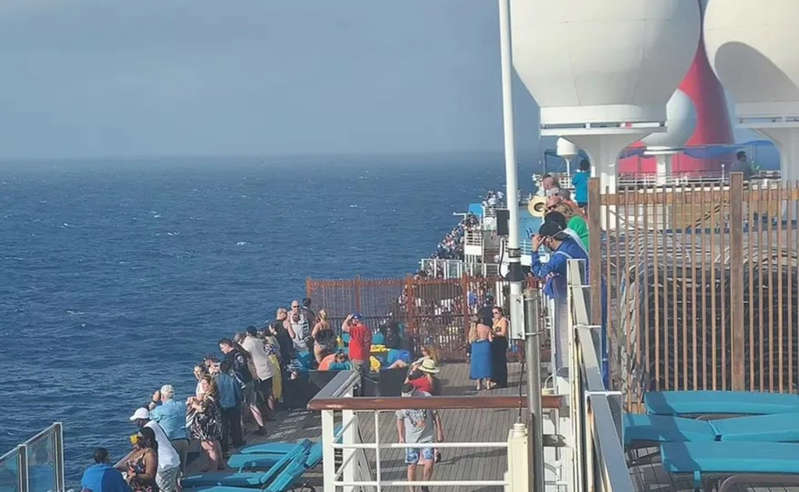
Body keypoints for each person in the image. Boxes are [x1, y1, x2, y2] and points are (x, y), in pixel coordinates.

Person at [531, 219, 589, 373]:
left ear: (549, 239)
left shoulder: (560, 257)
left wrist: (534, 251)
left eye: (543, 241)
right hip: (586, 292)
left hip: (578, 301)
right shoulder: (571, 243)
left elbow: (539, 272)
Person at [396, 383, 444, 492]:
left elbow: (435, 415)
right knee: (411, 465)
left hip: (427, 437)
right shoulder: (402, 401)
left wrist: (440, 431)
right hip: (411, 439)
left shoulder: (426, 397)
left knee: (430, 462)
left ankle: (424, 484)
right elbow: (399, 418)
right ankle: (412, 490)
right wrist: (401, 436)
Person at [219, 337, 266, 435]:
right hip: (249, 380)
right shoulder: (241, 352)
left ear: (227, 346)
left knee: (239, 407)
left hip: (240, 384)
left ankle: (241, 431)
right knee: (253, 405)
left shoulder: (229, 356)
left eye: (222, 348)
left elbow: (224, 368)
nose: (222, 350)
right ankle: (262, 427)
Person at [128, 408, 180, 492]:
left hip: (165, 465)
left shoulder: (148, 429)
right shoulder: (155, 424)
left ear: (142, 420)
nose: (135, 423)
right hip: (173, 460)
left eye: (136, 420)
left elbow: (145, 445)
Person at [187, 375, 224, 471]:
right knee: (215, 444)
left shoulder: (209, 397)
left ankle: (213, 469)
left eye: (204, 384)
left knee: (209, 448)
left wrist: (193, 405)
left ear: (209, 384)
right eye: (201, 383)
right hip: (213, 423)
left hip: (208, 426)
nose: (202, 386)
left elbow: (202, 409)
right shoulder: (212, 395)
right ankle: (219, 464)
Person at [147, 385, 189, 471]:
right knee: (181, 471)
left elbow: (147, 415)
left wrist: (154, 401)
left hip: (170, 443)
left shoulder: (159, 410)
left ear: (162, 396)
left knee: (170, 471)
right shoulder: (182, 405)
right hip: (184, 441)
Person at [241, 325, 274, 431]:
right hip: (267, 367)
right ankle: (272, 413)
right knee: (269, 392)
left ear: (247, 334)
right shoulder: (259, 341)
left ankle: (265, 415)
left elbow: (246, 355)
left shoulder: (247, 344)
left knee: (259, 396)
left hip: (258, 371)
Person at [210, 360, 245, 454]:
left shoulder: (215, 379)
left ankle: (224, 446)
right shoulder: (232, 379)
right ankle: (237, 442)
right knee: (235, 425)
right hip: (233, 405)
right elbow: (238, 392)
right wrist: (240, 400)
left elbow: (213, 393)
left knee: (223, 427)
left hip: (220, 406)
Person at [124, 427, 158, 492]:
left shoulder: (150, 455)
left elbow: (150, 476)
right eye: (137, 437)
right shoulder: (139, 451)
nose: (137, 440)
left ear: (148, 440)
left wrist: (135, 475)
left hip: (145, 489)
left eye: (140, 438)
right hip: (135, 487)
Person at [469, 315, 493, 391]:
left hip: (476, 347)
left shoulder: (473, 329)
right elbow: (491, 339)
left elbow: (470, 340)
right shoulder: (487, 328)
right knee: (487, 365)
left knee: (478, 366)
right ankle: (488, 384)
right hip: (485, 346)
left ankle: (478, 385)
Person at [490, 306, 509, 388]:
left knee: (501, 361)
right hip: (495, 342)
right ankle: (496, 379)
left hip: (501, 341)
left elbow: (503, 333)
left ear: (500, 313)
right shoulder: (494, 321)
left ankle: (503, 381)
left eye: (496, 313)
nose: (495, 315)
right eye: (493, 313)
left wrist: (495, 333)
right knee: (495, 362)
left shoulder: (503, 320)